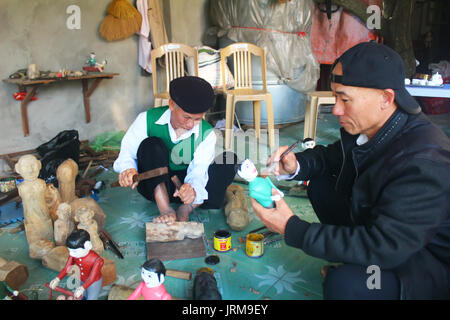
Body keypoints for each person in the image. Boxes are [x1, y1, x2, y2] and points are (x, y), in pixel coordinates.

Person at [252, 41, 450, 300]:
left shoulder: (425, 160)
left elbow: (385, 246)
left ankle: (358, 269)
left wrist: (292, 228)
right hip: (385, 230)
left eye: (344, 99)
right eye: (335, 97)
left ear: (386, 98)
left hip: (423, 262)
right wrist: (295, 164)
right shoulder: (369, 126)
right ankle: (354, 257)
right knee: (320, 185)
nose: (336, 109)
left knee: (344, 285)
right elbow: (331, 157)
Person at [114, 76, 237, 224]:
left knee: (229, 160)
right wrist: (128, 170)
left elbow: (199, 171)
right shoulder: (147, 119)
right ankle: (165, 208)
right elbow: (127, 153)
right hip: (156, 184)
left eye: (197, 119)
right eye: (186, 117)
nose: (191, 124)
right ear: (172, 105)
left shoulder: (207, 133)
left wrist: (191, 191)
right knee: (151, 144)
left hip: (186, 186)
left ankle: (185, 209)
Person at [50, 229, 104, 300]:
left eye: (74, 251)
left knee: (91, 297)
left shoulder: (97, 260)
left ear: (87, 245)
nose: (71, 254)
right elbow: (67, 268)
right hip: (82, 279)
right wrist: (57, 279)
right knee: (81, 296)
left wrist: (82, 288)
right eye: (69, 250)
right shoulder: (74, 255)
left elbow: (92, 278)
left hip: (94, 282)